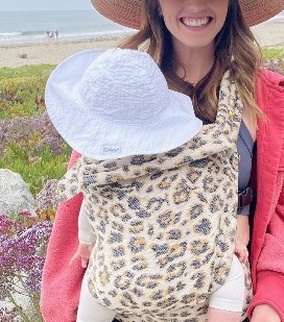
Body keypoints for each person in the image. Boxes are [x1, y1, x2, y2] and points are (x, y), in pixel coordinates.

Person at [40, 0, 284, 322]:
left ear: (230, 0)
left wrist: (271, 302)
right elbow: (84, 212)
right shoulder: (121, 99)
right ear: (156, 3)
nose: (195, 3)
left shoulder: (263, 99)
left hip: (229, 302)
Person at [45, 47, 249, 322]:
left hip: (120, 283)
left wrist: (85, 243)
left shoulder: (96, 168)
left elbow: (89, 213)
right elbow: (213, 202)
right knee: (231, 272)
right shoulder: (198, 151)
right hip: (196, 273)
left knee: (96, 286)